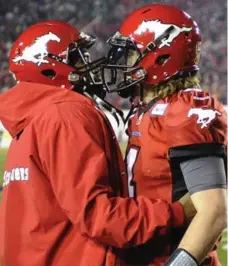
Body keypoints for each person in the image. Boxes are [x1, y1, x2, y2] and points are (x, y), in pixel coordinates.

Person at [0, 20, 195, 266]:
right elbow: (101, 217)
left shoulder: (30, 115)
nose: (87, 65)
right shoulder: (65, 113)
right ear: (49, 67)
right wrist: (177, 213)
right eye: (78, 58)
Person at [102, 4, 227, 266]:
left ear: (160, 58)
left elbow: (214, 210)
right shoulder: (146, 110)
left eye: (131, 54)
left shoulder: (184, 109)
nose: (123, 63)